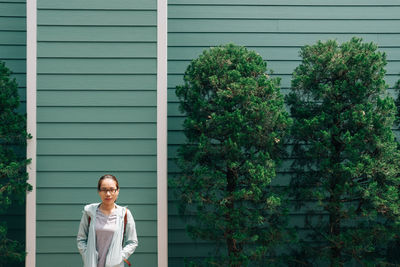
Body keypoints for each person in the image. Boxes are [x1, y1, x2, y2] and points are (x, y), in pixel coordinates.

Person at [77, 174, 138, 267]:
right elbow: (81, 239)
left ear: (117, 191)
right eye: (104, 190)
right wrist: (87, 256)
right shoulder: (89, 212)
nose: (108, 194)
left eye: (112, 189)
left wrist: (119, 257)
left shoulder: (125, 214)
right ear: (99, 191)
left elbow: (132, 242)